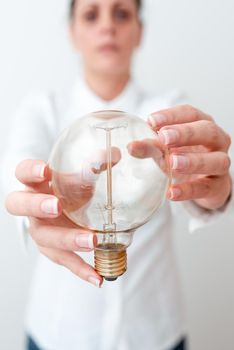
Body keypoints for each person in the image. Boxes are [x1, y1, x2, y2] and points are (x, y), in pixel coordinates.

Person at [2, 0, 233, 349]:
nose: (107, 26)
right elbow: (17, 170)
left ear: (139, 31)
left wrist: (214, 191)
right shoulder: (43, 110)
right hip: (59, 334)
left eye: (122, 14)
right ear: (72, 32)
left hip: (155, 333)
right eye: (91, 14)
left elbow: (195, 183)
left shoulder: (167, 113)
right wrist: (38, 203)